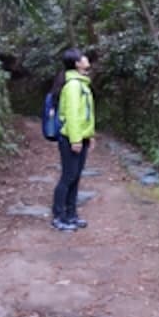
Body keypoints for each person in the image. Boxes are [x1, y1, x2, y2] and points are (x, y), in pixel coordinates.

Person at [50, 48, 95, 232]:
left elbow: (86, 114)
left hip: (80, 137)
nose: (86, 58)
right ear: (77, 63)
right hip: (70, 138)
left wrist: (89, 135)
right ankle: (58, 216)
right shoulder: (74, 85)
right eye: (82, 57)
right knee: (68, 177)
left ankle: (71, 214)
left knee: (75, 177)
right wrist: (76, 139)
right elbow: (72, 114)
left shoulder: (81, 83)